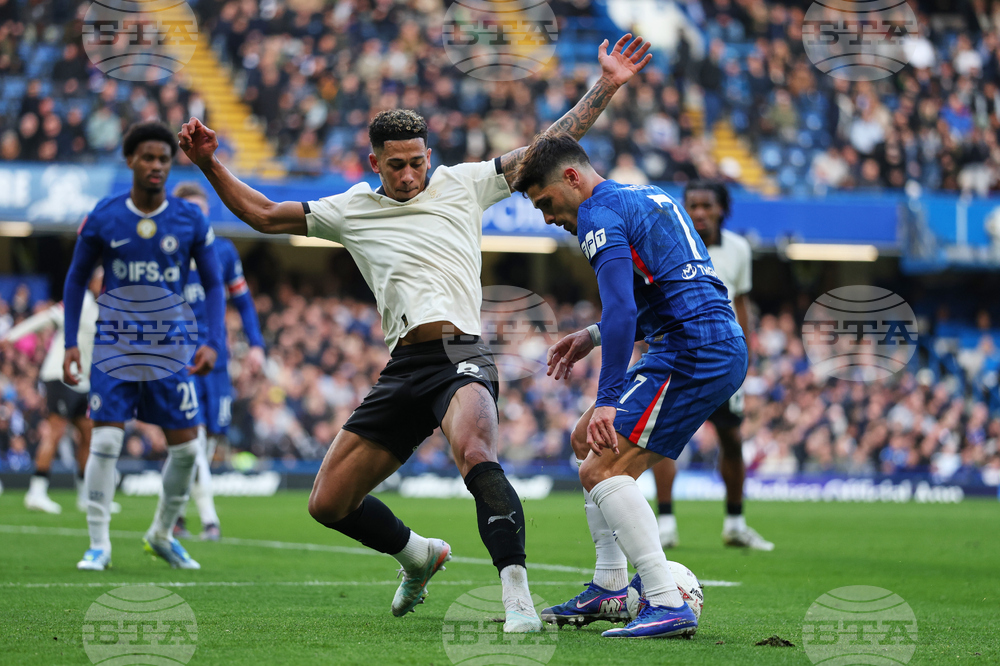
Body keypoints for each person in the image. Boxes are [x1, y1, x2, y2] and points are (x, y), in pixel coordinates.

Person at [178, 34, 651, 632]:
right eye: (396, 165)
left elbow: (548, 147)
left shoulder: (463, 183)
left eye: (417, 162)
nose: (408, 175)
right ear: (374, 162)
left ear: (429, 154)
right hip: (403, 366)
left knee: (477, 453)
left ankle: (518, 600)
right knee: (327, 503)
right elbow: (265, 215)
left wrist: (606, 83)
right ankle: (417, 554)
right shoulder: (351, 208)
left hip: (462, 354)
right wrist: (209, 164)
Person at [512, 133, 747, 638]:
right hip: (700, 340)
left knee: (600, 466)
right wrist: (592, 336)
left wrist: (607, 399)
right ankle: (610, 587)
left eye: (546, 202)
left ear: (572, 178)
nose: (548, 217)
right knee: (583, 441)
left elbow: (622, 310)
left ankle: (664, 599)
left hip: (691, 350)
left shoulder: (598, 215)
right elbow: (670, 291)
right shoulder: (649, 197)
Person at [63, 121, 226, 571]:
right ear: (130, 159)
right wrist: (69, 342)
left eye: (164, 159)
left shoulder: (189, 219)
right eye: (148, 158)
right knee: (107, 442)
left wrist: (213, 340)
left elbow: (214, 284)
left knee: (188, 450)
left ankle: (161, 533)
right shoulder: (104, 215)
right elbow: (76, 278)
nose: (157, 166)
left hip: (171, 349)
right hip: (114, 345)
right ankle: (99, 544)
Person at [653, 181, 773, 551]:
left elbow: (741, 305)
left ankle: (735, 523)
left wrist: (746, 357)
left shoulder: (738, 249)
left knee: (732, 440)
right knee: (661, 440)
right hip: (678, 356)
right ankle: (666, 523)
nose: (700, 212)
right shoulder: (670, 242)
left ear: (722, 208)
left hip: (722, 358)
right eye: (693, 205)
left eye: (707, 205)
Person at [171, 181, 266, 541]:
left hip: (219, 360)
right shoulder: (169, 252)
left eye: (202, 210)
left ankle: (177, 515)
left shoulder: (223, 252)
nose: (198, 216)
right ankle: (210, 520)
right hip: (182, 359)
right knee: (192, 440)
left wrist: (255, 344)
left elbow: (242, 302)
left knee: (206, 442)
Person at [1, 268, 107, 515]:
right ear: (91, 281)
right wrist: (11, 336)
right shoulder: (78, 300)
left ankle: (85, 496)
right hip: (60, 374)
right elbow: (45, 318)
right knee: (57, 430)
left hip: (83, 380)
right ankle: (36, 492)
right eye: (100, 280)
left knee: (87, 434)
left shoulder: (106, 309)